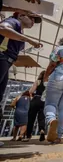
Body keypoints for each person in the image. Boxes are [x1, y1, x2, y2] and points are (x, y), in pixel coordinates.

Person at [0, 12, 42, 146]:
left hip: (7, 61)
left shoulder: (18, 29)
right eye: (31, 17)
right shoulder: (14, 22)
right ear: (21, 15)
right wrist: (28, 40)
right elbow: (3, 29)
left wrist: (22, 60)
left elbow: (11, 50)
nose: (33, 21)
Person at [22, 70, 46, 142]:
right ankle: (42, 130)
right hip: (44, 100)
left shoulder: (38, 81)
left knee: (31, 118)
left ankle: (28, 136)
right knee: (42, 117)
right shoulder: (49, 83)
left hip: (36, 99)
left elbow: (31, 91)